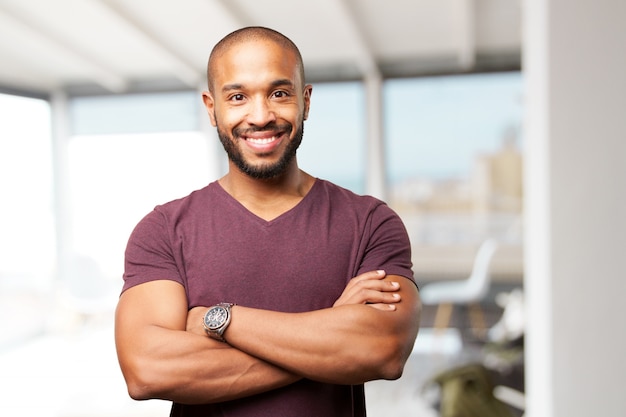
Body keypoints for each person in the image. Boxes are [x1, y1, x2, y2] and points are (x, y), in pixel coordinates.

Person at [115, 26, 421, 417]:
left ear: (305, 100)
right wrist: (329, 338)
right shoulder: (163, 230)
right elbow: (148, 371)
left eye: (279, 93)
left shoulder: (370, 222)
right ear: (212, 108)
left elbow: (383, 351)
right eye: (238, 97)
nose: (260, 117)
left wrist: (218, 320)